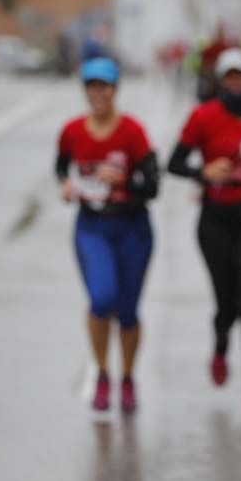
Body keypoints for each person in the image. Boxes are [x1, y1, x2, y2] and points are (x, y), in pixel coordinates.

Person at [167, 48, 241, 424]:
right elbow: (174, 163)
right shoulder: (203, 118)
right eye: (229, 77)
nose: (235, 83)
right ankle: (220, 344)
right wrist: (204, 171)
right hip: (216, 218)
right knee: (227, 303)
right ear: (220, 81)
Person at [56, 57, 159, 412]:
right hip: (92, 227)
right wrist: (66, 184)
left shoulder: (132, 131)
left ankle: (127, 377)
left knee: (128, 311)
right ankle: (102, 373)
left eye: (104, 86)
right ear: (84, 91)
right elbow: (60, 165)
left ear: (115, 90)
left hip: (132, 227)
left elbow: (153, 185)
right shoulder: (72, 130)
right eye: (91, 87)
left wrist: (125, 181)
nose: (98, 93)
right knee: (101, 299)